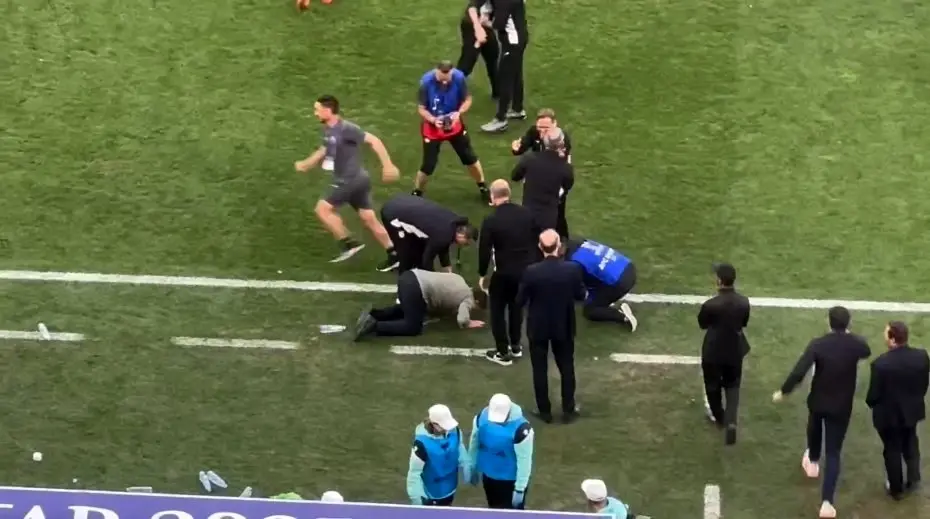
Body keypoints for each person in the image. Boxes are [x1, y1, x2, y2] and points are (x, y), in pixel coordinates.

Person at [771, 306, 871, 519]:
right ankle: (827, 503)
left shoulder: (818, 344)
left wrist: (784, 391)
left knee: (814, 428)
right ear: (848, 323)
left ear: (828, 322)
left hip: (818, 401)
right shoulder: (855, 344)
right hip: (841, 405)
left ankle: (813, 462)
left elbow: (799, 371)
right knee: (834, 452)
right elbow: (866, 350)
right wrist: (849, 336)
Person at [294, 95, 399, 271]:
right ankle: (395, 253)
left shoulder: (346, 128)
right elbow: (324, 149)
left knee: (322, 209)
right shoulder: (329, 129)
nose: (315, 113)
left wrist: (388, 165)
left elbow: (374, 140)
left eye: (317, 110)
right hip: (358, 179)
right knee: (369, 219)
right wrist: (306, 164)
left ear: (328, 110)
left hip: (349, 179)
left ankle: (349, 243)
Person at [517, 230, 586, 423]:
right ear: (559, 246)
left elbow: (520, 300)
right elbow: (581, 295)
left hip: (538, 326)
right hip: (563, 325)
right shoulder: (572, 269)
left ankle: (544, 411)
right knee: (566, 367)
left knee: (539, 369)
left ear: (540, 247)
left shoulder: (531, 272)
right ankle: (568, 410)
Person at [866, 321, 929, 501]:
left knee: (892, 449)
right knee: (911, 442)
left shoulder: (880, 364)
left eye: (886, 334)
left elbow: (873, 395)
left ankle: (896, 489)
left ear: (893, 339)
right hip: (912, 410)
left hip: (889, 416)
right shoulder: (921, 356)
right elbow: (924, 384)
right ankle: (913, 477)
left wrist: (873, 404)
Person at [477, 179, 537, 366]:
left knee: (497, 311)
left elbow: (484, 250)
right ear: (508, 194)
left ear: (492, 197)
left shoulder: (491, 220)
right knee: (516, 308)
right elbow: (536, 239)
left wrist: (482, 273)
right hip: (524, 272)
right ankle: (516, 346)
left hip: (503, 273)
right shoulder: (527, 214)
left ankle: (502, 352)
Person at [414, 61, 489, 202]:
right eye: (441, 79)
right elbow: (421, 108)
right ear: (436, 71)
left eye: (447, 79)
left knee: (469, 157)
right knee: (428, 164)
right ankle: (417, 192)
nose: (444, 82)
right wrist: (433, 120)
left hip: (454, 124)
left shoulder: (459, 78)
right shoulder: (426, 83)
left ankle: (482, 186)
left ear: (452, 73)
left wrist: (458, 113)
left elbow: (467, 99)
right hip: (432, 127)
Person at [698, 262, 750, 445]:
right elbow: (743, 323)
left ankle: (721, 419)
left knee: (712, 387)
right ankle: (732, 421)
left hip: (713, 352)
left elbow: (702, 324)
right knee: (733, 385)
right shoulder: (743, 302)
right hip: (734, 349)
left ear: (719, 281)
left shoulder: (710, 305)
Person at [353, 269, 484, 340]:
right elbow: (462, 319)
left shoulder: (459, 279)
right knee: (413, 327)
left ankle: (375, 314)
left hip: (409, 276)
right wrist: (468, 323)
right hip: (416, 288)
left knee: (410, 309)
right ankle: (374, 326)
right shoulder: (468, 298)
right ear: (477, 301)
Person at [511, 109, 573, 236]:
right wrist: (516, 149)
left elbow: (562, 166)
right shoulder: (534, 132)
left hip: (554, 181)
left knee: (558, 211)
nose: (542, 131)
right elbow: (522, 146)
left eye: (546, 128)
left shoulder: (561, 139)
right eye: (540, 127)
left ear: (555, 124)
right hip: (537, 177)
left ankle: (562, 236)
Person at [380, 194, 478, 273]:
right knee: (408, 255)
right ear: (461, 235)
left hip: (403, 201)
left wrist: (446, 267)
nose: (464, 245)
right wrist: (432, 278)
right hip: (392, 214)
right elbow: (427, 259)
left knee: (419, 248)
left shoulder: (453, 222)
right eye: (466, 243)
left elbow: (443, 246)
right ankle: (396, 261)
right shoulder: (443, 235)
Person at [467, 394, 534, 510]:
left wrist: (519, 489)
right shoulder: (480, 418)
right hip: (489, 477)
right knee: (494, 508)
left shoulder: (522, 430)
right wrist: (472, 466)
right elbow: (474, 443)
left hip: (510, 482)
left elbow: (525, 461)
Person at [563, 238, 638, 331]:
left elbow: (578, 290)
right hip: (626, 265)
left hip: (620, 281)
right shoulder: (577, 242)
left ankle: (623, 316)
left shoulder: (571, 263)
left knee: (590, 310)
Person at [407, 404, 471, 506]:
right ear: (434, 424)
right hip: (431, 495)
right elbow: (414, 474)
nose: (447, 429)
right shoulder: (421, 444)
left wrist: (467, 470)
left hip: (450, 489)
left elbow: (460, 449)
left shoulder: (455, 431)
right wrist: (419, 501)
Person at [480, 0, 529, 133]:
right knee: (515, 73)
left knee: (505, 78)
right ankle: (517, 109)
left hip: (512, 43)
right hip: (519, 38)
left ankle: (500, 119)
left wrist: (484, 22)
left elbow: (499, 24)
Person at [456, 0, 498, 98]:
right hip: (472, 24)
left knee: (493, 57)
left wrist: (488, 23)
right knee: (468, 61)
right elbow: (472, 8)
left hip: (486, 25)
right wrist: (478, 29)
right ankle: (450, 91)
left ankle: (498, 92)